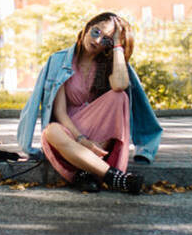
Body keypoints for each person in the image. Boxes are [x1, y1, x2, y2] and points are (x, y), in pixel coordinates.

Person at [17, 12, 162, 194]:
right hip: (69, 134)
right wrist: (81, 140)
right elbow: (60, 113)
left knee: (119, 97)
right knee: (51, 130)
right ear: (86, 28)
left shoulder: (106, 65)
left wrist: (118, 45)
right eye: (96, 32)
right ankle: (115, 177)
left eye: (106, 40)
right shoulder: (61, 61)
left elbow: (120, 85)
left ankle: (86, 173)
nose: (98, 40)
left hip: (99, 140)